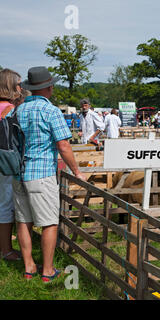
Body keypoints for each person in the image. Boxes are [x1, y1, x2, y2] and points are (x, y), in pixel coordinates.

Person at [14, 66, 86, 281]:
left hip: (19, 173)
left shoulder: (19, 110)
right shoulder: (51, 111)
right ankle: (47, 270)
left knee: (24, 221)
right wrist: (77, 171)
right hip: (41, 173)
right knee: (49, 223)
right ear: (49, 87)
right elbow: (63, 145)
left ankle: (29, 268)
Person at [0, 68, 23, 261]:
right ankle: (6, 250)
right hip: (5, 162)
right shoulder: (10, 110)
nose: (21, 87)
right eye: (18, 84)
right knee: (6, 205)